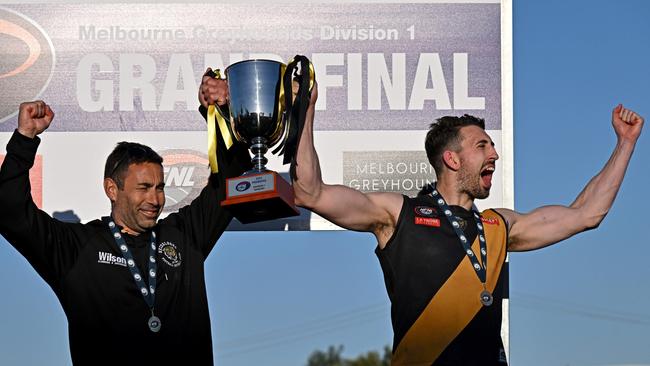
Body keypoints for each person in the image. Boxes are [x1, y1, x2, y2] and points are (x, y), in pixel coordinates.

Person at [284, 82, 642, 365]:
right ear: (452, 159)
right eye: (482, 146)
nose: (495, 154)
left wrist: (625, 144)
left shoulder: (498, 226)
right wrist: (306, 109)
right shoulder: (399, 214)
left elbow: (586, 214)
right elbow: (310, 193)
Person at [0, 85, 251, 364]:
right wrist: (24, 140)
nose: (155, 199)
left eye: (159, 187)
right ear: (112, 189)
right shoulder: (75, 248)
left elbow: (234, 176)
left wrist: (218, 113)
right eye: (143, 187)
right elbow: (10, 212)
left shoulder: (183, 235)